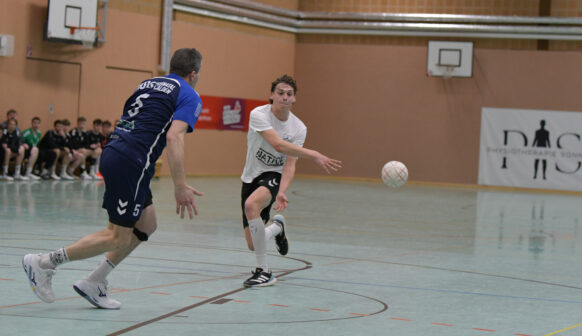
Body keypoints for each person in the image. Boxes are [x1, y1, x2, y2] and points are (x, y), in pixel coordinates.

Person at [22, 48, 204, 309]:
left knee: (146, 224)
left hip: (117, 151)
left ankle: (94, 281)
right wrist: (180, 185)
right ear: (193, 74)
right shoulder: (189, 94)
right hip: (133, 161)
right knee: (118, 236)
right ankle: (43, 263)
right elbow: (174, 136)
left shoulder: (147, 83)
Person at [240, 74, 342, 287]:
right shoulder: (258, 114)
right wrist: (314, 154)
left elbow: (289, 163)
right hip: (251, 176)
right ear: (272, 95)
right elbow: (278, 144)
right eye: (280, 93)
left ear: (294, 98)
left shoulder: (298, 128)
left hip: (273, 175)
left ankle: (264, 272)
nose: (285, 97)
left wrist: (282, 191)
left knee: (251, 205)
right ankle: (277, 227)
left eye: (289, 94)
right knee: (253, 243)